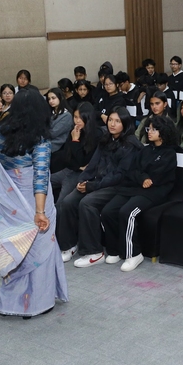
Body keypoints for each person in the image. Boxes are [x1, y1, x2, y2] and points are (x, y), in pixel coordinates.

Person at [0, 88, 68, 318]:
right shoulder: (40, 139)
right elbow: (40, 177)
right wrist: (40, 212)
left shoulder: (0, 133)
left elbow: (1, 168)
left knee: (16, 246)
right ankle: (35, 304)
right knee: (38, 248)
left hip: (10, 199)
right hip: (34, 200)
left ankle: (10, 303)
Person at [57, 107, 142, 267]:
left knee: (87, 202)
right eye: (110, 120)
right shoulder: (106, 139)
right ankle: (69, 245)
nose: (112, 124)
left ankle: (94, 252)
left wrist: (91, 186)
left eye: (117, 121)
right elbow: (93, 164)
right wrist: (82, 180)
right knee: (68, 201)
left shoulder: (130, 144)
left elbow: (119, 175)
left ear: (125, 123)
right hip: (98, 182)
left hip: (118, 186)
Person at [102, 115, 179, 272]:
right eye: (149, 128)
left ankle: (134, 254)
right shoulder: (145, 149)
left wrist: (145, 178)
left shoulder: (170, 153)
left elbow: (158, 177)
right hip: (136, 187)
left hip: (155, 192)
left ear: (163, 132)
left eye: (154, 129)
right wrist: (143, 177)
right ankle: (115, 250)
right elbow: (133, 170)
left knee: (127, 212)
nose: (149, 132)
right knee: (107, 211)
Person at [50, 102, 100, 204]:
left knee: (62, 203)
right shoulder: (74, 130)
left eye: (81, 118)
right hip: (68, 169)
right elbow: (67, 156)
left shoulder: (97, 134)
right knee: (39, 185)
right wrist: (78, 166)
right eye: (75, 117)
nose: (77, 121)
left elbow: (83, 161)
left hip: (80, 175)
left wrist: (75, 141)